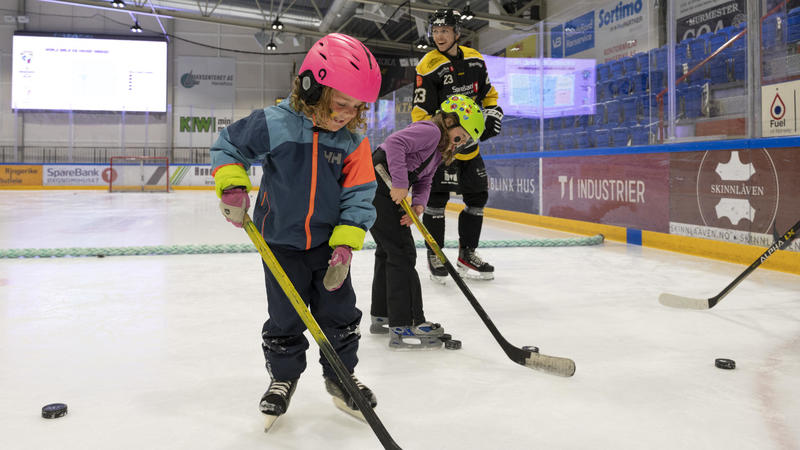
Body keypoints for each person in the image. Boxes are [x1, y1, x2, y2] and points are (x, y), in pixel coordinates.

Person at [210, 33, 382, 427]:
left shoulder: (353, 141)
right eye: (341, 103)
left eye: (356, 107)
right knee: (285, 316)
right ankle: (283, 378)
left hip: (328, 246)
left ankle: (341, 377)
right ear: (312, 86)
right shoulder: (274, 123)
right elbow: (227, 146)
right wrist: (233, 185)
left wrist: (346, 245)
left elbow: (359, 195)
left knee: (339, 313)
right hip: (280, 244)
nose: (347, 114)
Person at [369, 95, 485, 349]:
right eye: (461, 136)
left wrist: (419, 203)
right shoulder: (430, 131)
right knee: (402, 252)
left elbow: (425, 178)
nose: (460, 143)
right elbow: (395, 144)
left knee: (388, 251)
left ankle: (383, 314)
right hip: (380, 182)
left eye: (464, 142)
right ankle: (405, 323)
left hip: (381, 187)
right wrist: (400, 183)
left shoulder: (438, 150)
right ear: (450, 119)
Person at [413, 8, 504, 282]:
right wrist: (441, 137)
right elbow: (420, 113)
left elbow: (489, 95)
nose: (439, 36)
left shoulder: (475, 60)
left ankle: (467, 254)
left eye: (445, 31)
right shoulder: (427, 66)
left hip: (471, 146)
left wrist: (494, 112)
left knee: (477, 199)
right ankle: (435, 255)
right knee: (437, 201)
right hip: (443, 151)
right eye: (436, 31)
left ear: (456, 33)